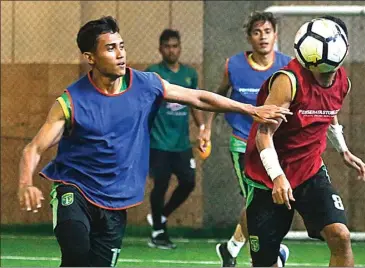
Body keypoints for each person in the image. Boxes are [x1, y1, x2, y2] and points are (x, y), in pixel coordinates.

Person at [17, 16, 291, 267]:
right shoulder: (72, 101)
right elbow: (35, 148)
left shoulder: (146, 85)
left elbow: (198, 97)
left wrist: (251, 110)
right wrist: (26, 183)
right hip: (74, 187)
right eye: (110, 48)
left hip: (114, 198)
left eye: (121, 46)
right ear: (90, 57)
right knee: (76, 248)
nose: (120, 54)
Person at [243, 16, 365, 267]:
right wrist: (277, 176)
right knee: (264, 261)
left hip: (309, 171)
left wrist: (343, 150)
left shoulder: (343, 82)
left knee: (340, 236)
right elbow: (263, 134)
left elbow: (328, 110)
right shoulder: (288, 81)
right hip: (267, 177)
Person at [201, 11, 291, 267]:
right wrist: (206, 128)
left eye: (267, 31)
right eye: (257, 32)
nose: (263, 37)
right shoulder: (235, 66)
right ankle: (265, 253)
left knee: (272, 201)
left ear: (276, 35)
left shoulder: (288, 66)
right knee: (255, 201)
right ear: (249, 37)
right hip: (243, 144)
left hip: (277, 147)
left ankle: (232, 249)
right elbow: (217, 98)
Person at [144, 29, 205, 249]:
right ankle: (159, 232)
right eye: (167, 46)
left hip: (181, 144)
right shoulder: (153, 74)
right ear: (160, 49)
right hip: (158, 143)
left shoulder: (189, 75)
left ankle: (160, 216)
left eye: (175, 45)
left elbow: (195, 103)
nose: (172, 50)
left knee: (188, 182)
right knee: (160, 184)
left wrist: (202, 128)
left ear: (180, 48)